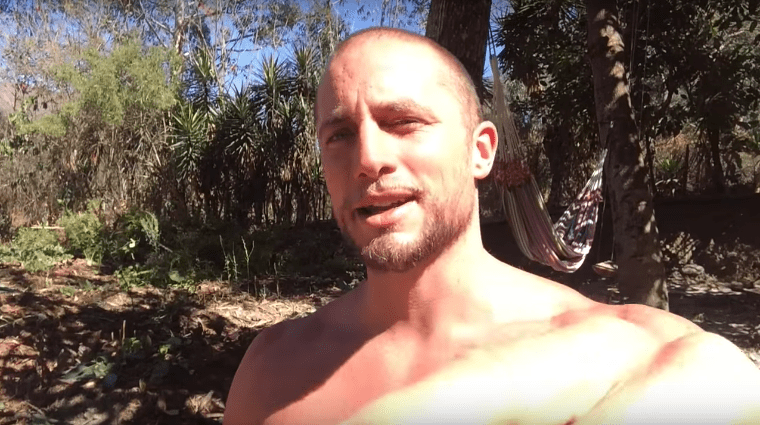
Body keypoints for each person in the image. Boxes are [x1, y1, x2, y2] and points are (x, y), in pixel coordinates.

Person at [223, 27, 760, 425]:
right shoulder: (271, 372)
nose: (368, 158)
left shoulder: (651, 360)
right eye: (338, 135)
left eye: (403, 122)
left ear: (480, 152)